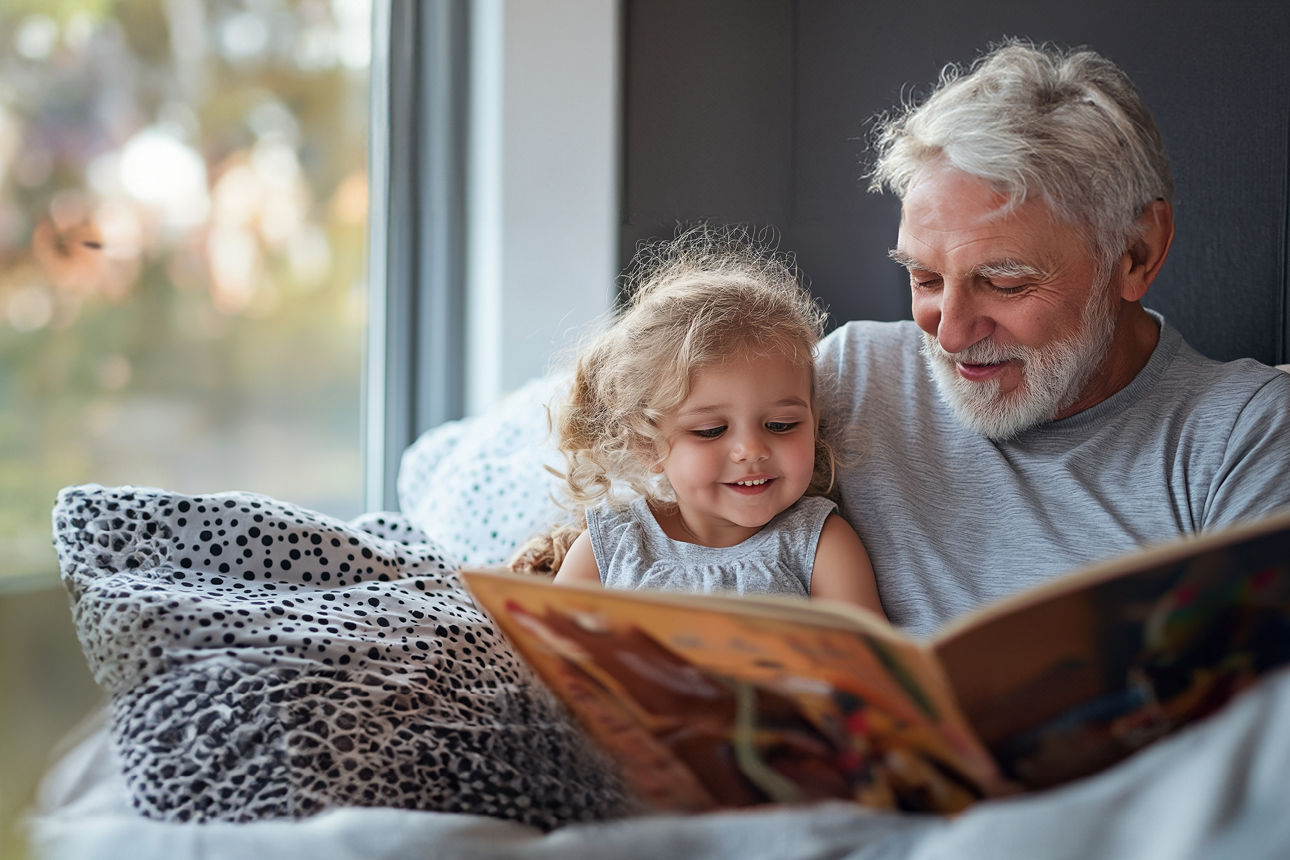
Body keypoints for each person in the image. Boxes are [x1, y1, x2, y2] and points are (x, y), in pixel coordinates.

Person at [817, 38, 1290, 637]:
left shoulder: (1241, 443)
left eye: (1005, 283)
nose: (953, 334)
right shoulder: (847, 379)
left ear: (1136, 255)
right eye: (925, 278)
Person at [513, 228, 884, 615]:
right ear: (647, 445)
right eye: (711, 431)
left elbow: (874, 670)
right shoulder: (610, 546)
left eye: (781, 425)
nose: (751, 450)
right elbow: (558, 663)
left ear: (813, 419)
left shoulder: (821, 545)